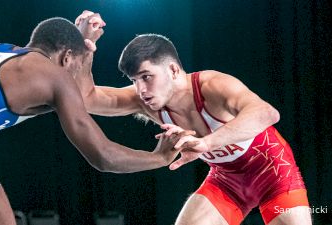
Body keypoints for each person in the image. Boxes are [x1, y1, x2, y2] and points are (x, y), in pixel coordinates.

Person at [0, 16, 193, 225]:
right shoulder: (56, 75)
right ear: (66, 58)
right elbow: (103, 156)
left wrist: (85, 45)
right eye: (76, 67)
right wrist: (159, 157)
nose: (75, 76)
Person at [74, 11, 312, 225]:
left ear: (174, 70)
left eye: (146, 77)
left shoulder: (213, 86)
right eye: (134, 81)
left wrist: (207, 143)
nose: (141, 90)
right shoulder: (145, 101)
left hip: (275, 174)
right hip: (226, 181)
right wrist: (84, 46)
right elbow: (87, 99)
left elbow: (267, 113)